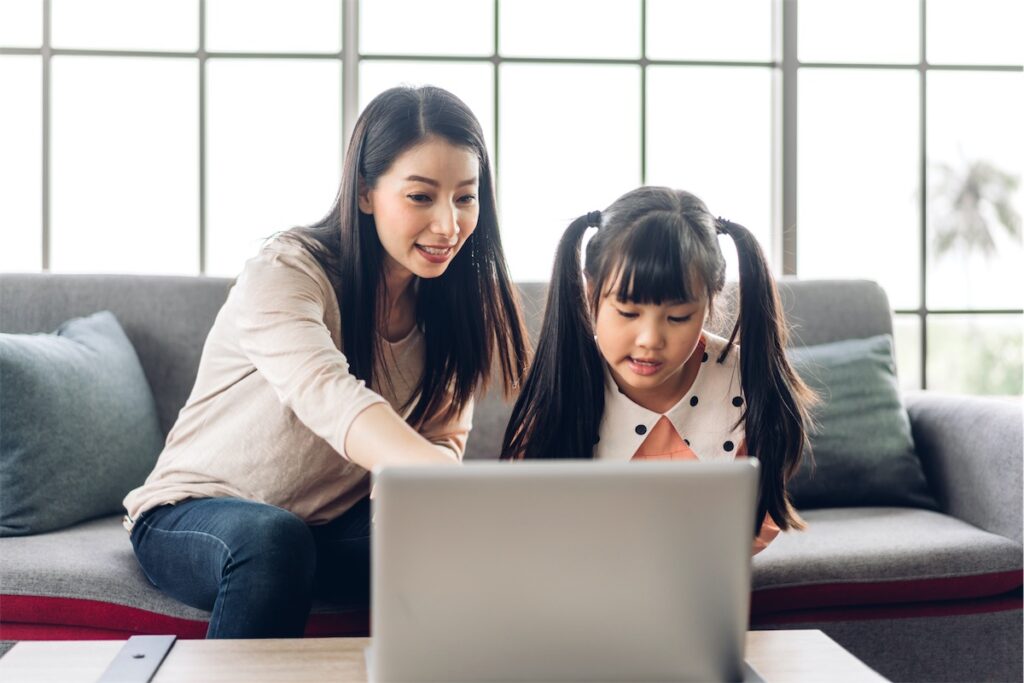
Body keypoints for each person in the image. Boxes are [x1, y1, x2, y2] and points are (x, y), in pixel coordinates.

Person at [123, 85, 528, 638]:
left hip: (325, 528)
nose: (448, 225)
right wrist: (433, 478)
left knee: (447, 545)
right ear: (365, 192)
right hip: (195, 511)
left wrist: (412, 502)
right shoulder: (286, 273)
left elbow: (440, 441)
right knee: (273, 539)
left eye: (465, 197)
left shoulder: (455, 307)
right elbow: (329, 395)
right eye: (420, 197)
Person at [500, 186, 814, 554]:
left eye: (678, 317)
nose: (650, 339)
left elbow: (757, 522)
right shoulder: (563, 385)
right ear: (589, 290)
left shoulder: (743, 384)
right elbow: (527, 523)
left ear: (710, 301)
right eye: (628, 313)